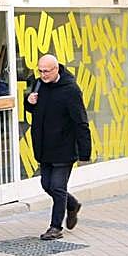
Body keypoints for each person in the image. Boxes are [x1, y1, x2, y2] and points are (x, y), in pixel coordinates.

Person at [25, 54, 91, 241]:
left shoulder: (70, 89)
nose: (43, 75)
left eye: (46, 71)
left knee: (57, 186)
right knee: (47, 185)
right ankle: (72, 205)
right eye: (40, 71)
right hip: (44, 147)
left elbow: (81, 121)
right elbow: (33, 108)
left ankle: (55, 227)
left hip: (64, 148)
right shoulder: (38, 84)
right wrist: (28, 102)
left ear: (56, 69)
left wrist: (84, 151)